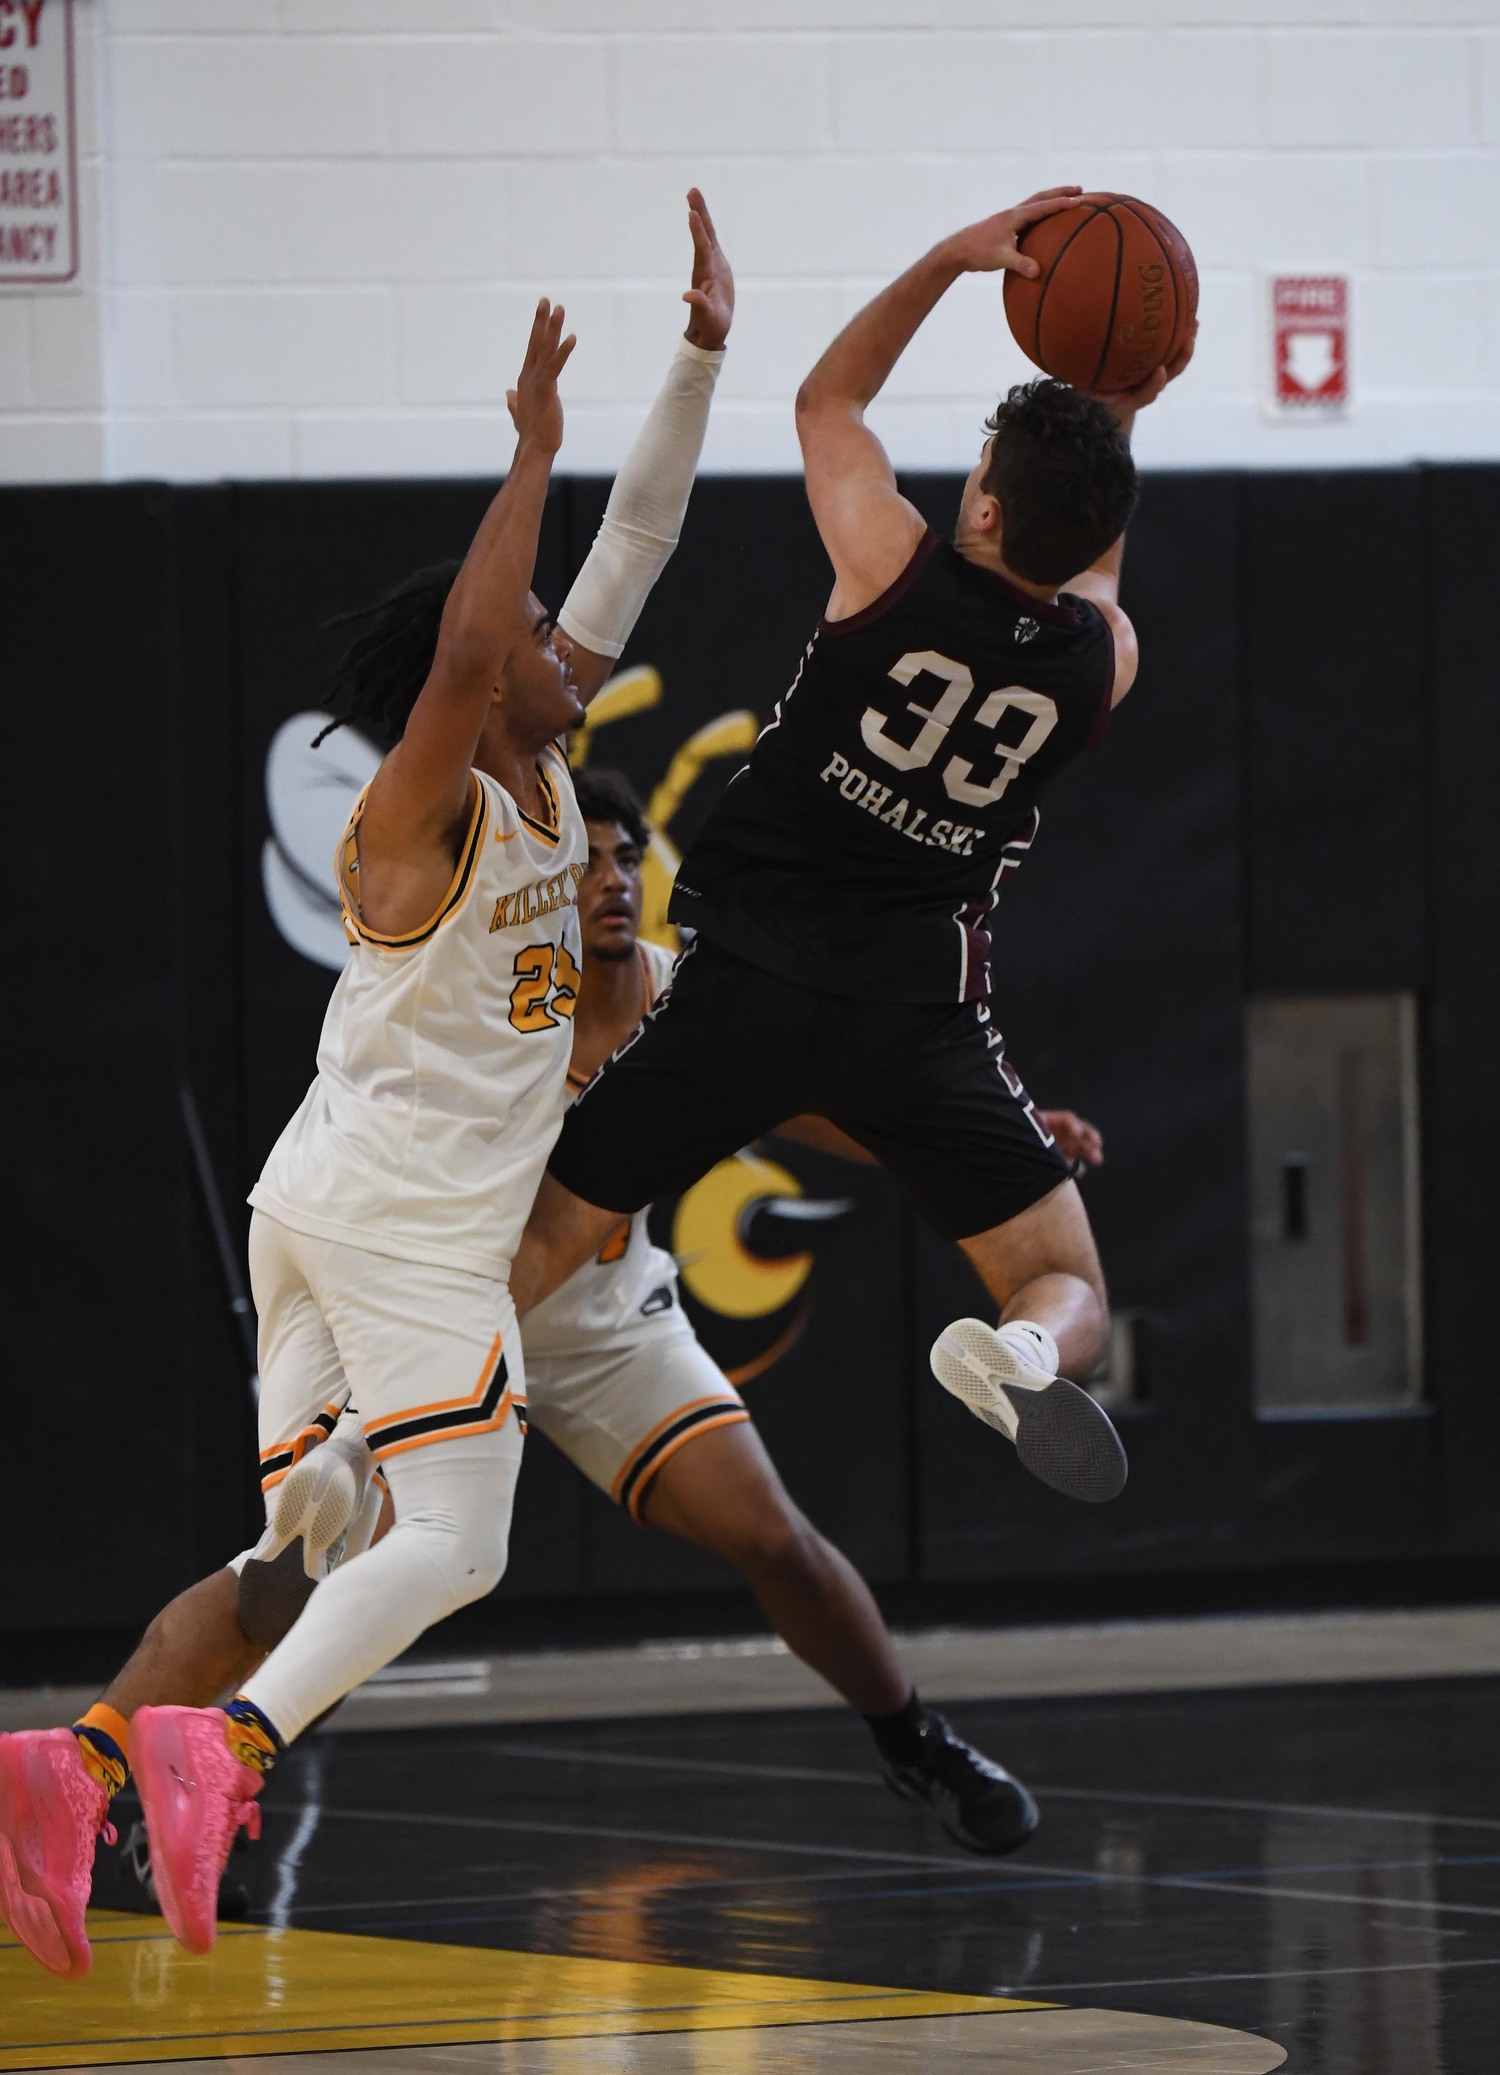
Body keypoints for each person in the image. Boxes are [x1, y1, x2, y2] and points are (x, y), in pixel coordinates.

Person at [0, 193, 736, 1978]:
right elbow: (484, 645)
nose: (578, 649)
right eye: (542, 641)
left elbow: (637, 534)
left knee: (308, 1544)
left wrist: (703, 350)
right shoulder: (423, 816)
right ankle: (224, 1752)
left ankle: (69, 1766)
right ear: (468, 688)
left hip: (319, 1208)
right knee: (463, 1542)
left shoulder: (557, 777)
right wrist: (524, 454)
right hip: (405, 1218)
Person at [260, 769, 1104, 1864]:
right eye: (586, 860)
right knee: (337, 1568)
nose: (612, 879)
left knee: (780, 1539)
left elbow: (815, 1105)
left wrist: (1005, 1129)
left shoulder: (686, 998)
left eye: (627, 857)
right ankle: (235, 1774)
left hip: (608, 1322)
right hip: (457, 1312)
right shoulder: (486, 1000)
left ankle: (915, 1736)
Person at [510, 188, 1193, 1510]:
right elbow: (1095, 565)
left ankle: (379, 1427)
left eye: (982, 473)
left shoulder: (891, 566)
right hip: (912, 1016)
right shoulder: (1097, 661)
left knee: (547, 1228)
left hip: (745, 983)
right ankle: (1021, 1352)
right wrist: (1113, 402)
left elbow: (830, 405)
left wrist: (948, 258)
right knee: (1072, 1287)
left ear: (983, 513)